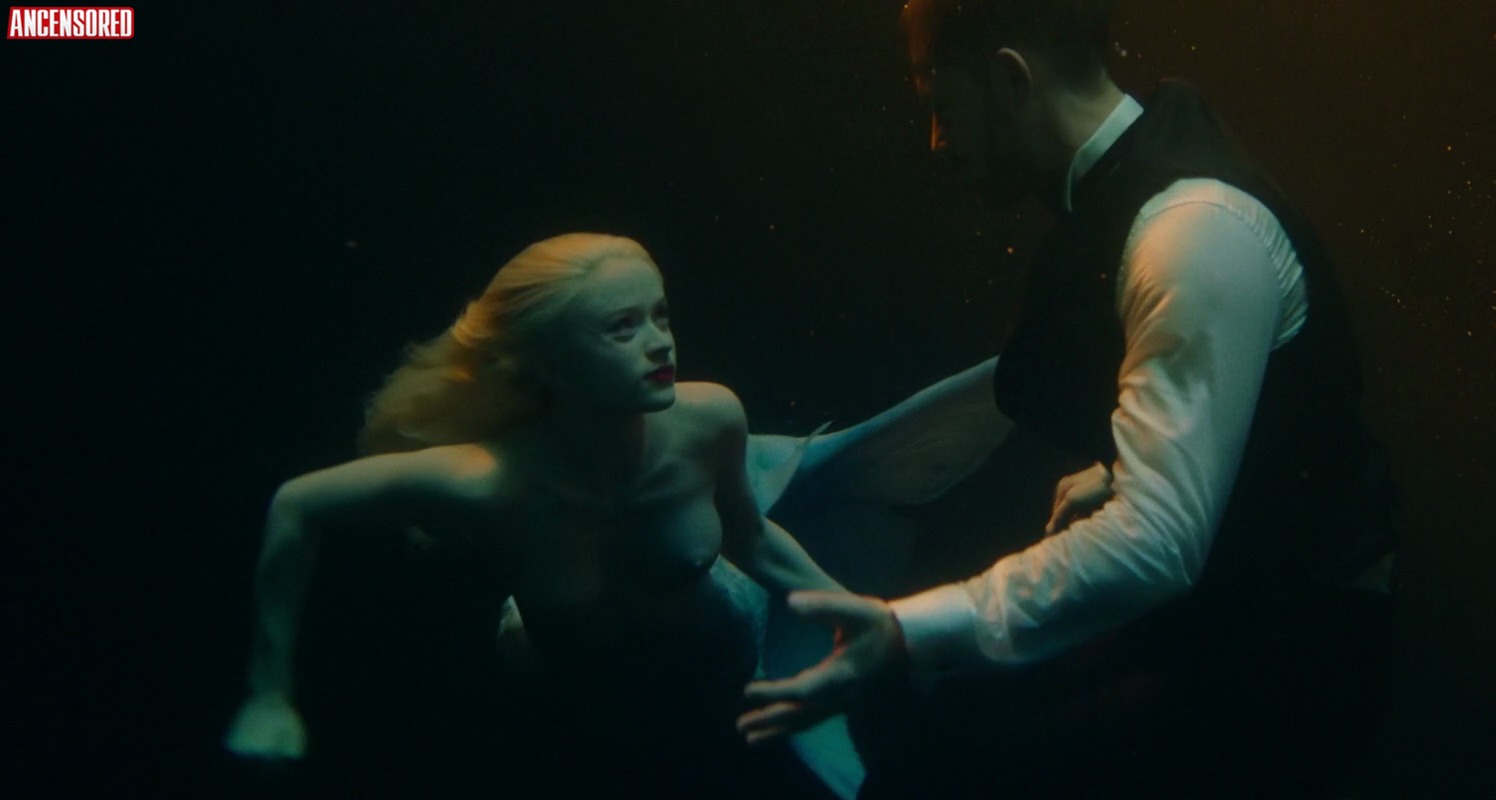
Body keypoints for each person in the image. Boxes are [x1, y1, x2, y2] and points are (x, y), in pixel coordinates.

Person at [736, 2, 1400, 797]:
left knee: (941, 770)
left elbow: (1157, 543)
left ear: (1011, 79)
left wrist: (906, 632)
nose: (938, 142)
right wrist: (1123, 469)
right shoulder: (1124, 191)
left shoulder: (1191, 230)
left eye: (941, 106)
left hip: (1292, 654)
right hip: (1226, 603)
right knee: (933, 722)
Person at [222, 232, 846, 797]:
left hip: (731, 676)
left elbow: (750, 539)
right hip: (587, 723)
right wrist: (268, 693)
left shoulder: (708, 418)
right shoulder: (487, 481)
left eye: (661, 315)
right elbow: (297, 504)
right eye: (622, 327)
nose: (660, 341)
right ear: (544, 360)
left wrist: (862, 617)